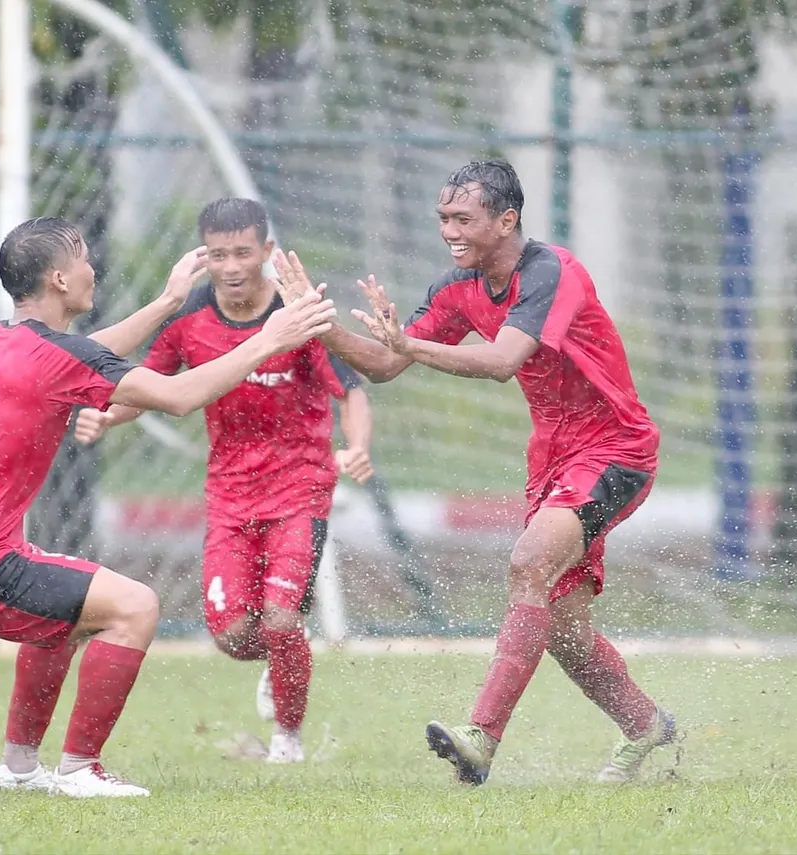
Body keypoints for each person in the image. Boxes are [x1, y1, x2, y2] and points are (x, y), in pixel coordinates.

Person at [272, 160, 675, 786]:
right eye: (443, 219)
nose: (449, 231)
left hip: (615, 448)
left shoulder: (552, 271)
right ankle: (644, 724)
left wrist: (411, 347)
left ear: (506, 220)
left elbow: (500, 360)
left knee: (528, 564)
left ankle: (481, 737)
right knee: (564, 629)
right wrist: (317, 320)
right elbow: (381, 361)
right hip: (554, 458)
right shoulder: (457, 286)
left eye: (463, 218)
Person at [0, 216, 335, 797]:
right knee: (134, 607)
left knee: (60, 620)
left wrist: (166, 302)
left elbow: (83, 353)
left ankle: (17, 769)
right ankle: (81, 769)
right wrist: (270, 337)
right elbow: (180, 397)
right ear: (60, 278)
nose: (93, 268)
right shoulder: (52, 357)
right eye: (83, 257)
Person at [74, 198, 374, 764]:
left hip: (300, 489)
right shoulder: (189, 319)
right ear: (203, 257)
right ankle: (287, 659)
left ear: (266, 252)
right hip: (230, 496)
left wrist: (356, 447)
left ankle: (287, 739)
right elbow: (149, 386)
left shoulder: (296, 315)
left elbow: (352, 390)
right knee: (235, 635)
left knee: (282, 616)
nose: (231, 266)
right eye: (218, 254)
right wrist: (107, 414)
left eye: (242, 253)